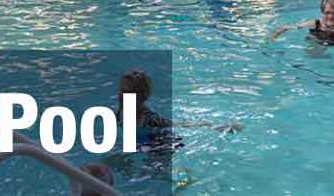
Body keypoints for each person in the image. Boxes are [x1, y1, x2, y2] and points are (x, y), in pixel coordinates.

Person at [99, 70, 239, 191]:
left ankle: (186, 182)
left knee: (157, 173)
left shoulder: (150, 119)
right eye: (121, 90)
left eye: (128, 92)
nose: (121, 95)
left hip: (162, 144)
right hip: (142, 144)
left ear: (141, 97)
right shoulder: (117, 114)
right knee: (112, 163)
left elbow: (178, 125)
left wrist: (213, 126)